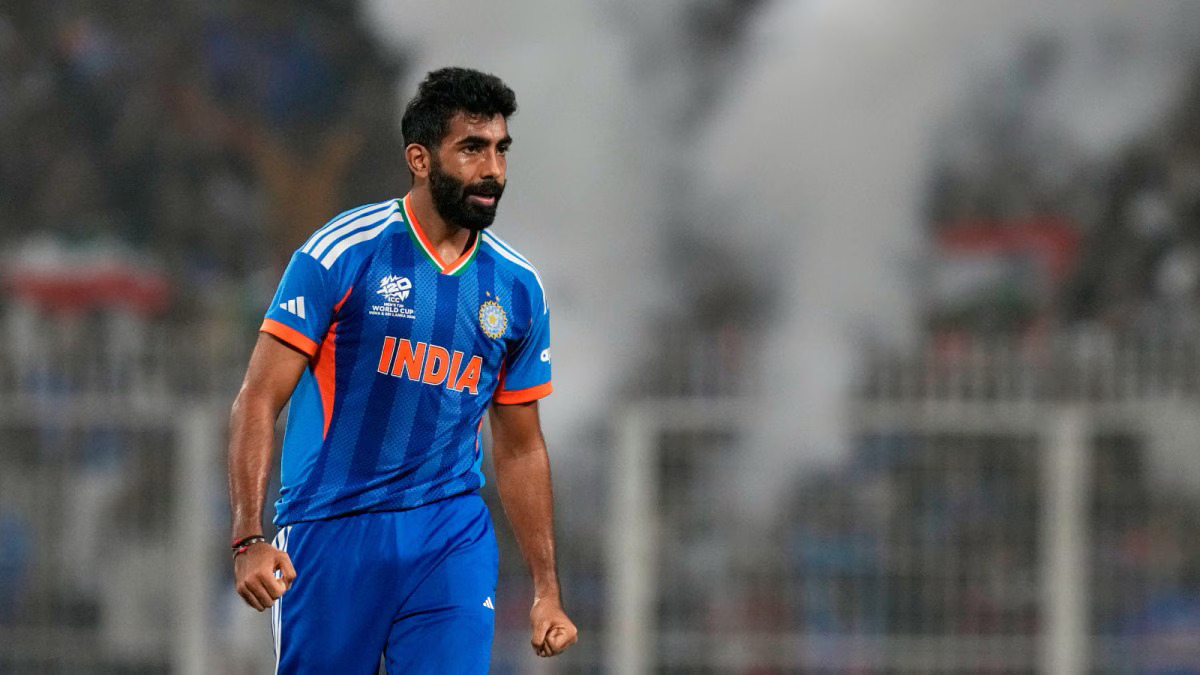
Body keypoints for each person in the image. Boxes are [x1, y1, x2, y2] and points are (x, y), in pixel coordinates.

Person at [227, 66, 578, 673]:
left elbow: (521, 445)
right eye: (471, 149)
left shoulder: (518, 288)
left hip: (451, 534)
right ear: (419, 158)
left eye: (500, 150)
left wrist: (547, 588)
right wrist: (248, 537)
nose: (493, 170)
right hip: (330, 530)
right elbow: (258, 399)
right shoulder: (343, 252)